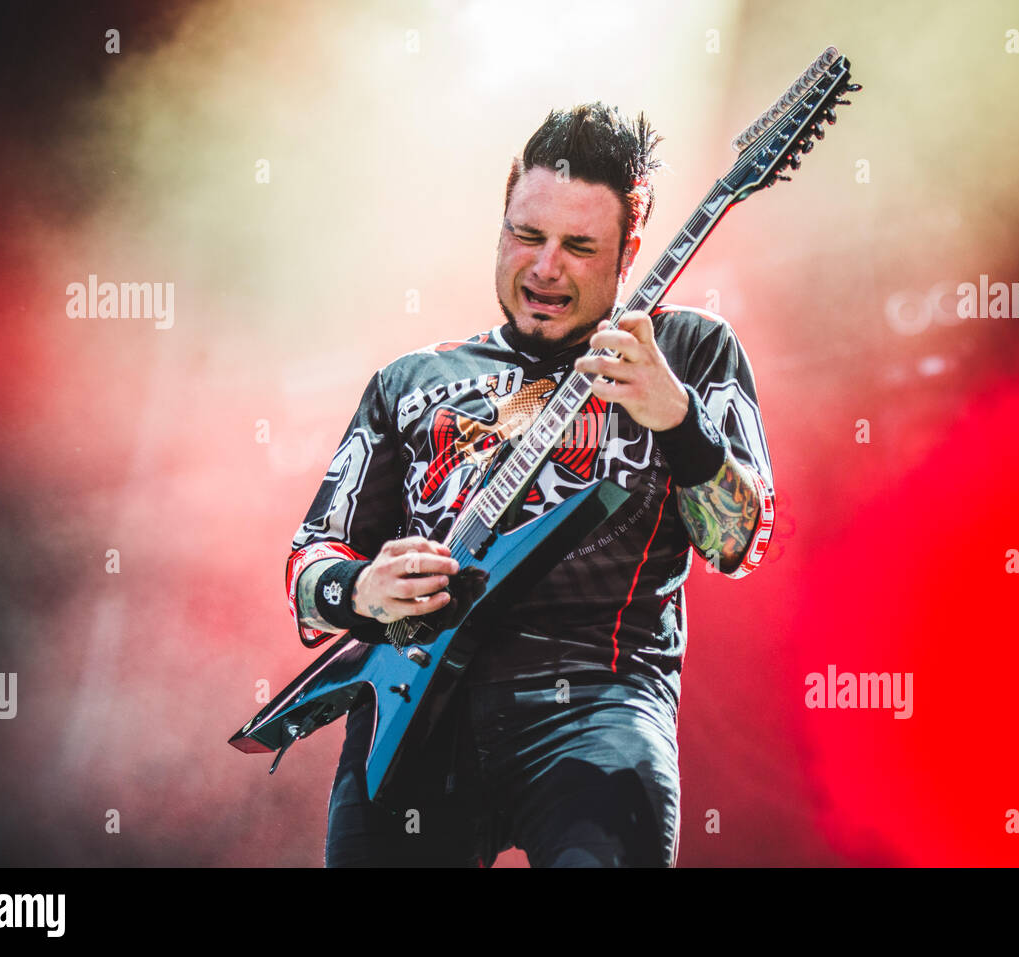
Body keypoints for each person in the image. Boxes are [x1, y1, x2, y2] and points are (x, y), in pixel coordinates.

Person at [284, 102, 778, 867]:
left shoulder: (686, 351)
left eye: (579, 246)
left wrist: (674, 417)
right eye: (527, 235)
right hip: (411, 716)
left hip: (597, 707)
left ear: (629, 252)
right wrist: (361, 590)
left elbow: (740, 542)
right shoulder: (414, 381)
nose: (545, 267)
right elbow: (310, 565)